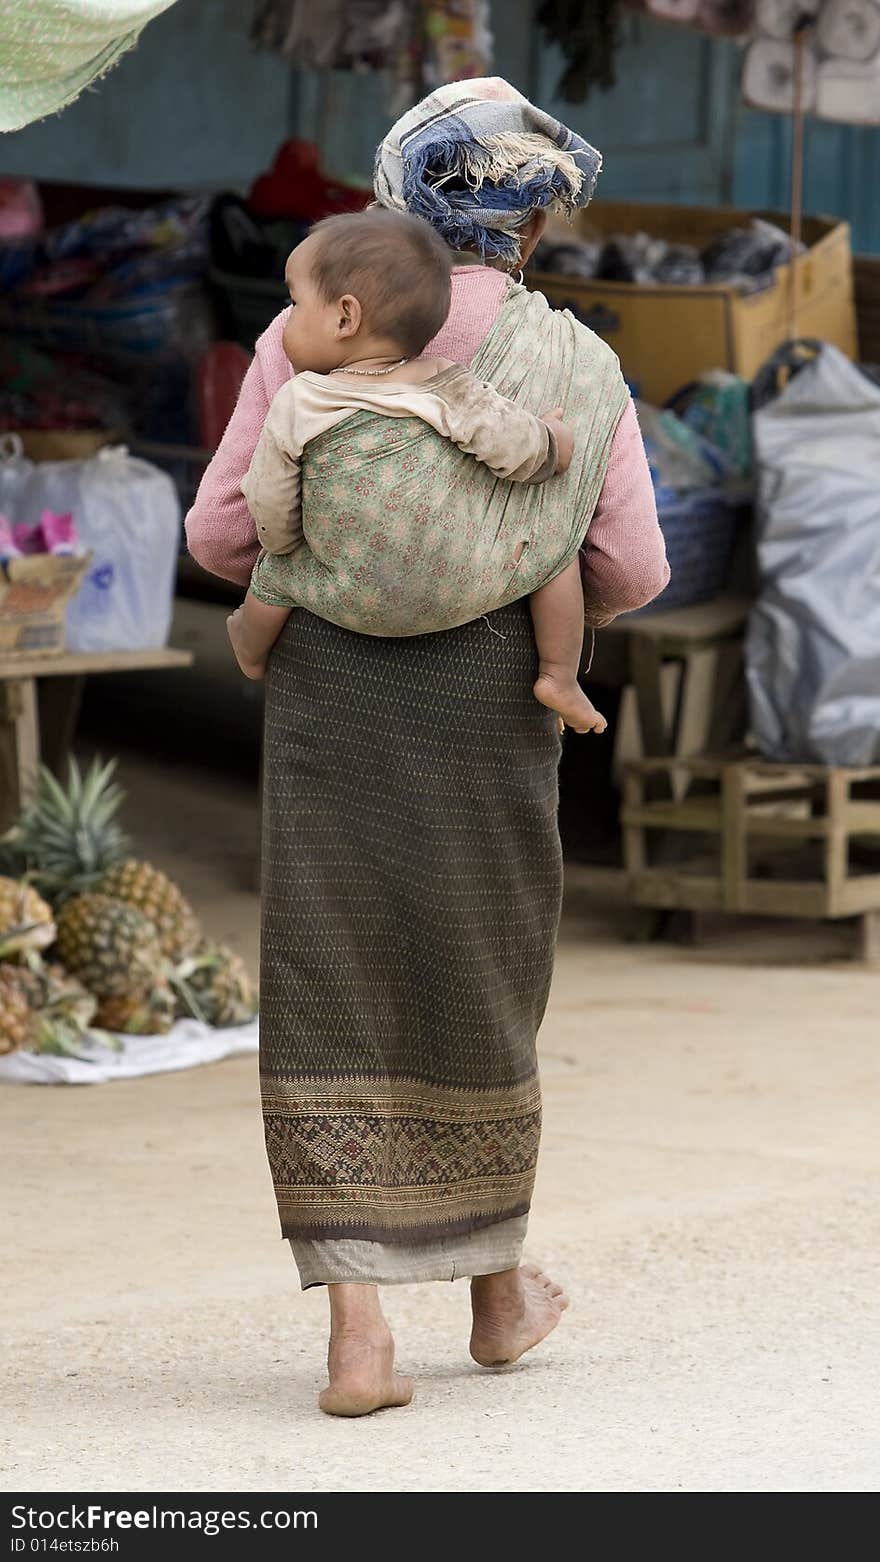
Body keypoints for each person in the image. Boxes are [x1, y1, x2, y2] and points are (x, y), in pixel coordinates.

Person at [186, 77, 669, 1419]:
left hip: (332, 696)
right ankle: (498, 1289)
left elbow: (225, 541)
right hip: (498, 700)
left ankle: (361, 1340)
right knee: (477, 975)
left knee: (335, 978)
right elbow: (631, 563)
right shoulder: (580, 361)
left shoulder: (318, 336)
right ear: (526, 220)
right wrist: (508, 556)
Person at [227, 207, 605, 735]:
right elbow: (520, 452)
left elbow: (267, 499)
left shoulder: (302, 400)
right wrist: (555, 441)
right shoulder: (447, 383)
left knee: (277, 573)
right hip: (462, 589)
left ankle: (248, 644)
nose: (287, 317)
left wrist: (288, 544)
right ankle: (559, 675)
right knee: (553, 550)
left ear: (345, 318)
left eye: (294, 302)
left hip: (347, 593)